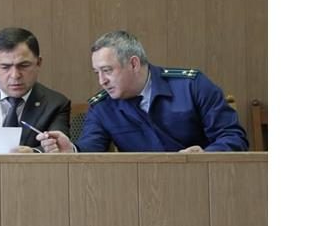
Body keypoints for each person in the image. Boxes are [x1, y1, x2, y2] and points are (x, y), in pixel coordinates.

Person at [38, 31, 248, 153]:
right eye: (97, 73)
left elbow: (233, 137)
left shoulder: (191, 86)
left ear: (134, 64)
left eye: (107, 70)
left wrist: (205, 155)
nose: (101, 81)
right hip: (141, 192)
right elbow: (92, 149)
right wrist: (72, 151)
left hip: (204, 181)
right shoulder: (102, 107)